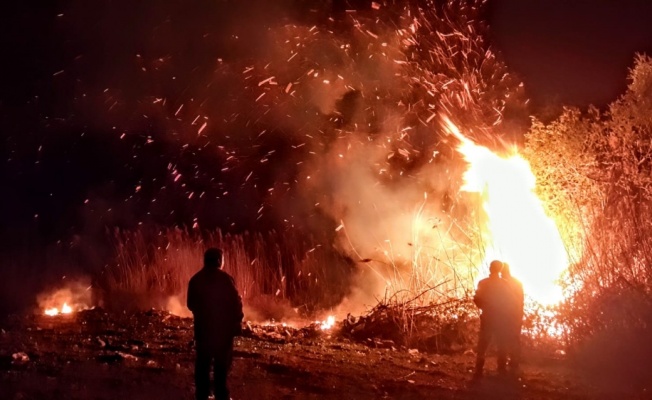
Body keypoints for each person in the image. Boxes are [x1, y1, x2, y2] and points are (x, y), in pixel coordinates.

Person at [187, 248, 244, 400]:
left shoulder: (196, 279)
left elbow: (190, 304)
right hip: (222, 333)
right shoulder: (226, 279)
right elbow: (236, 303)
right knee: (221, 367)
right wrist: (237, 322)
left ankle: (201, 395)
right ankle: (221, 395)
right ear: (219, 260)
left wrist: (203, 313)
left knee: (202, 366)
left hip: (203, 331)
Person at [473, 260, 511, 379]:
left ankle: (479, 368)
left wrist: (484, 307)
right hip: (501, 318)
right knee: (502, 343)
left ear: (491, 268)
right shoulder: (505, 284)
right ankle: (501, 368)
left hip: (488, 316)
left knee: (483, 343)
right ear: (500, 269)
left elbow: (477, 299)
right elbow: (510, 302)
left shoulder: (483, 283)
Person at [501, 263, 524, 373]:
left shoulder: (501, 284)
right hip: (515, 315)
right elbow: (521, 301)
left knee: (503, 339)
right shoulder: (517, 283)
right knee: (514, 339)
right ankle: (514, 362)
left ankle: (503, 363)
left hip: (505, 316)